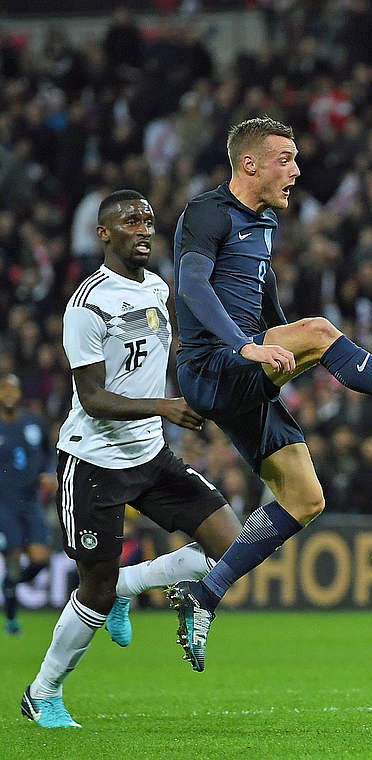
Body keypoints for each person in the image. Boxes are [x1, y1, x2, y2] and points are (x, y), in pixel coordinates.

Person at [165, 117, 372, 672]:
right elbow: (193, 285)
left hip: (248, 373)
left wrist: (284, 359)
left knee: (305, 498)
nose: (296, 171)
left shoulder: (265, 224)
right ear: (249, 163)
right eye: (285, 159)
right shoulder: (206, 213)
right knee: (321, 331)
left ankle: (206, 593)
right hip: (210, 366)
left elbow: (268, 308)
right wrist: (249, 349)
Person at [22, 190, 244, 728]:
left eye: (148, 220)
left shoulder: (158, 287)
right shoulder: (88, 303)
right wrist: (165, 405)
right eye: (130, 221)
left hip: (150, 454)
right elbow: (94, 397)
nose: (144, 229)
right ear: (104, 234)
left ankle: (129, 584)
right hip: (94, 462)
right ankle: (42, 692)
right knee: (91, 592)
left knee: (234, 544)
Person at [0, 374, 54, 636]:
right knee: (12, 557)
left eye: (13, 389)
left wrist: (48, 472)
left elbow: (49, 452)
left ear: (19, 394)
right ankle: (11, 619)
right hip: (4, 502)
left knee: (41, 559)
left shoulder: (34, 422)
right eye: (4, 390)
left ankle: (10, 586)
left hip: (30, 500)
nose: (9, 394)